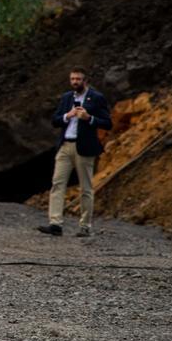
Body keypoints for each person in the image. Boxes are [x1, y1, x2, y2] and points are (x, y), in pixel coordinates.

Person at [38, 67, 113, 237]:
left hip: (84, 147)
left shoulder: (96, 98)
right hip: (65, 145)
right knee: (57, 183)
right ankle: (55, 223)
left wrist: (89, 118)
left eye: (78, 79)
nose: (75, 82)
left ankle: (85, 225)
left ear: (85, 80)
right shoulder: (66, 98)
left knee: (85, 187)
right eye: (72, 79)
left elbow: (107, 123)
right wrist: (68, 115)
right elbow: (55, 121)